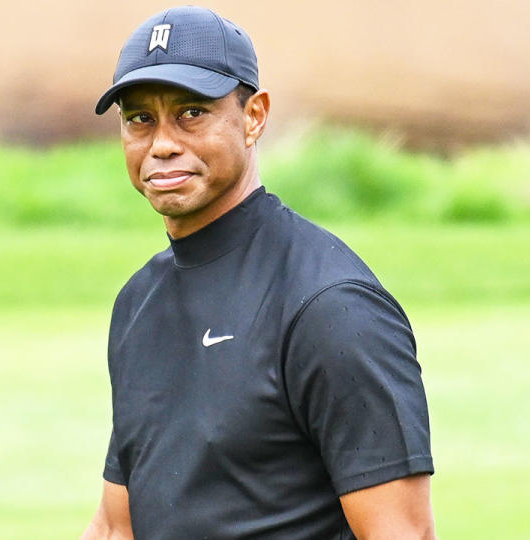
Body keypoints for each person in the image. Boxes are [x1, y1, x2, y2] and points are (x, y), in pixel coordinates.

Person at [81, 6, 434, 539]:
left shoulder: (329, 305)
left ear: (254, 117)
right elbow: (115, 526)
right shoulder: (138, 301)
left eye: (192, 113)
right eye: (139, 119)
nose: (162, 143)